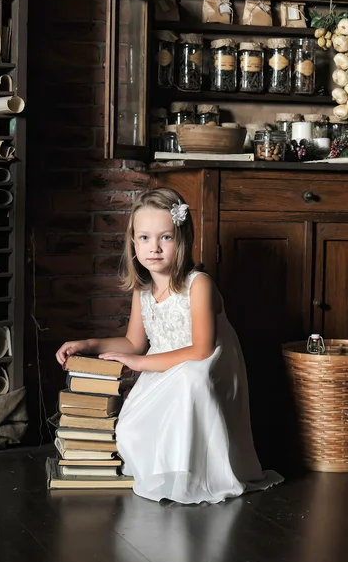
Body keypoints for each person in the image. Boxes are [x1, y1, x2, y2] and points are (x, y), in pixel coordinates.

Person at [56, 188, 283, 504]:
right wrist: (90, 343)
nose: (155, 248)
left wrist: (138, 364)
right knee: (129, 432)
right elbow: (135, 342)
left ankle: (194, 475)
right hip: (163, 366)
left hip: (205, 368)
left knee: (190, 380)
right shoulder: (144, 291)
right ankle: (166, 471)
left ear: (182, 240)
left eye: (166, 238)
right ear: (133, 243)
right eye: (145, 238)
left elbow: (201, 350)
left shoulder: (198, 284)